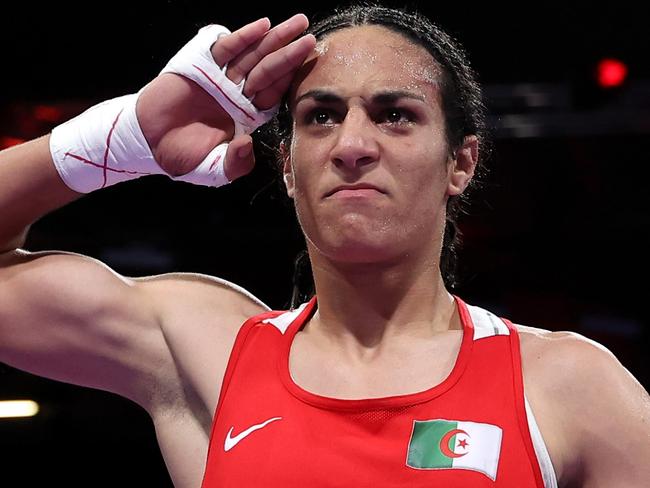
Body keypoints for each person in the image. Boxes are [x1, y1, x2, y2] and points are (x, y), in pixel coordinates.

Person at [1, 4, 649, 487]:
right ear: (286, 164)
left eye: (395, 114)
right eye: (321, 116)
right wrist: (122, 139)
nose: (352, 146)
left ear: (461, 162)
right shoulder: (210, 354)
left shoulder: (570, 388)